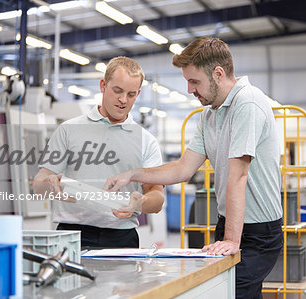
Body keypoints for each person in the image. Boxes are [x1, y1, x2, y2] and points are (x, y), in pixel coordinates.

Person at [104, 38, 283, 299]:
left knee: (229, 292)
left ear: (218, 74)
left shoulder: (248, 103)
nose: (189, 89)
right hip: (228, 224)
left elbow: (238, 175)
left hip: (258, 232)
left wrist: (233, 241)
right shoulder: (210, 114)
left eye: (194, 81)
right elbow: (182, 169)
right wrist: (133, 174)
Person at [33, 56, 164, 249]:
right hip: (71, 236)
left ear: (138, 93)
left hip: (122, 237)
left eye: (131, 94)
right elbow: (38, 185)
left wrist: (140, 203)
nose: (123, 100)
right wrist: (48, 184)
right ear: (103, 85)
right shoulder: (68, 130)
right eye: (117, 91)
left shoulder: (146, 140)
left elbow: (157, 198)